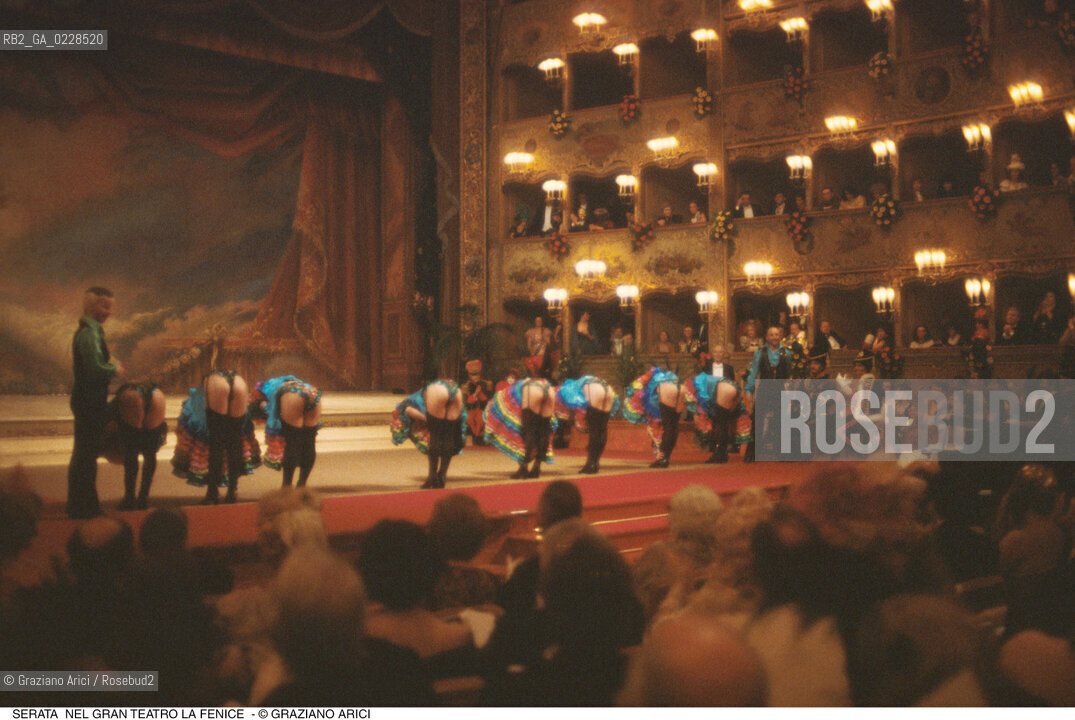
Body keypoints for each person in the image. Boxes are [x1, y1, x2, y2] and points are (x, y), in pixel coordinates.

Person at [67, 287, 122, 519]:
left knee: (84, 455)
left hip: (89, 400)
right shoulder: (89, 334)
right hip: (88, 401)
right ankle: (84, 508)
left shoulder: (92, 331)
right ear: (90, 306)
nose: (108, 312)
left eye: (109, 307)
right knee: (86, 457)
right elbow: (94, 369)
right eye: (104, 306)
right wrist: (115, 369)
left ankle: (80, 505)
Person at [173, 370, 261, 504]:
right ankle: (232, 491)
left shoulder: (210, 378)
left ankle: (212, 492)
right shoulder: (238, 378)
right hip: (239, 382)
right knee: (235, 442)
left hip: (215, 385)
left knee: (216, 442)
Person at [391, 380, 466, 489]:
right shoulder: (417, 397)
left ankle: (432, 477)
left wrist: (430, 421)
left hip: (437, 392)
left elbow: (408, 410)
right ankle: (442, 476)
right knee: (448, 436)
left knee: (435, 437)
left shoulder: (409, 403)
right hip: (455, 389)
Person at [250, 376, 321, 488]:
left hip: (292, 394)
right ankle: (302, 484)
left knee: (292, 442)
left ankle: (286, 486)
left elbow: (271, 410)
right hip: (312, 392)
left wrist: (262, 405)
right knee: (309, 441)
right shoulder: (292, 381)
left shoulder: (269, 389)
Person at [105, 383, 167, 510]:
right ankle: (143, 498)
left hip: (131, 398)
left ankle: (129, 499)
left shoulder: (123, 393)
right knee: (150, 455)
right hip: (157, 396)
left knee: (131, 453)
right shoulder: (155, 390)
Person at [485, 376, 557, 479]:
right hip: (548, 387)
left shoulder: (526, 379)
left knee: (528, 430)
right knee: (544, 431)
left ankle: (523, 467)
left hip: (531, 389)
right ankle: (537, 466)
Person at [743, 326, 792, 462]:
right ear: (767, 337)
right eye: (772, 335)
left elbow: (788, 373)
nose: (775, 337)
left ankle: (781, 454)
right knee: (757, 421)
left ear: (780, 336)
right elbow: (753, 373)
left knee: (781, 422)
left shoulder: (787, 353)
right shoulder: (760, 353)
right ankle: (752, 454)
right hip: (764, 390)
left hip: (780, 390)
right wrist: (748, 389)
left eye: (777, 334)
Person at [555, 375, 619, 474]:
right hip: (608, 389)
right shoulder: (579, 383)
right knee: (602, 428)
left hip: (593, 390)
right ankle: (596, 462)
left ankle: (590, 463)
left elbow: (573, 403)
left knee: (594, 429)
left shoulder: (568, 388)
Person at [624, 367, 684, 468]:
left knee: (668, 426)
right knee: (674, 425)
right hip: (681, 388)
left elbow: (638, 386)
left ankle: (662, 458)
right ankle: (666, 457)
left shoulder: (651, 377)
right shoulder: (665, 376)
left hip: (663, 393)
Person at [686, 370, 743, 464]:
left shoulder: (690, 388)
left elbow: (698, 406)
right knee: (723, 423)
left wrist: (697, 415)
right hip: (732, 387)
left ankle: (720, 453)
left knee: (721, 424)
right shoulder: (697, 382)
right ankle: (722, 453)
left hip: (723, 390)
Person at [461, 360, 493, 446]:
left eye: (477, 374)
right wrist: (475, 395)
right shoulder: (466, 386)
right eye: (472, 375)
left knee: (481, 418)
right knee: (468, 418)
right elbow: (465, 402)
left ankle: (480, 438)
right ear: (469, 375)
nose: (475, 377)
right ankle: (471, 438)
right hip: (470, 410)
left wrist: (481, 394)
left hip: (483, 410)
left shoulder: (487, 384)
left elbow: (488, 401)